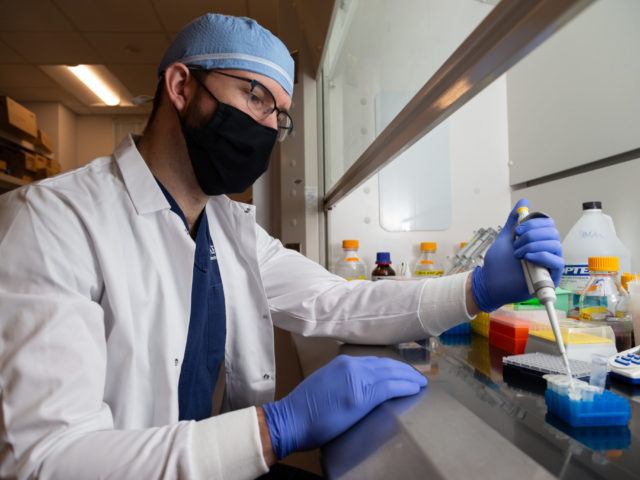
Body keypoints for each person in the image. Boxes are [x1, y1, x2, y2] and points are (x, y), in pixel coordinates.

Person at [0, 13, 563, 480]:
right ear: (180, 87)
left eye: (279, 114)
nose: (268, 126)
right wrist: (273, 430)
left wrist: (476, 288)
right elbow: (45, 460)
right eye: (254, 97)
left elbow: (336, 302)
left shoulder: (228, 229)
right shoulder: (53, 222)